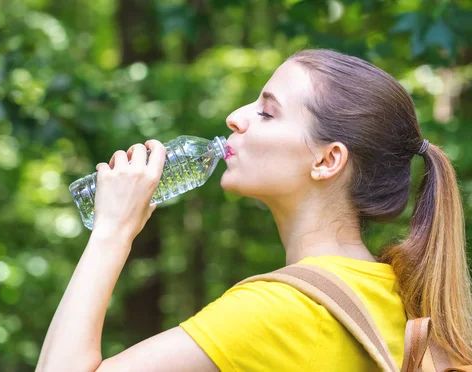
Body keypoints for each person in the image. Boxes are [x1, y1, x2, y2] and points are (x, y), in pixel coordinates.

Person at [35, 49, 472, 371]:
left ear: (327, 160)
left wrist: (112, 231)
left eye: (266, 112)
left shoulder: (281, 311)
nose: (234, 117)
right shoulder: (402, 296)